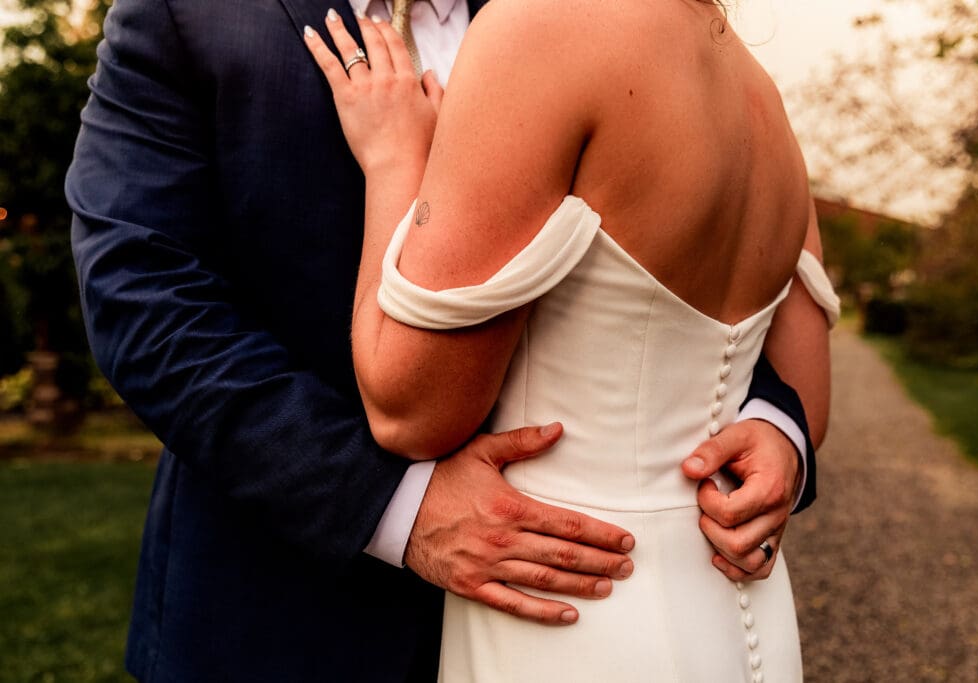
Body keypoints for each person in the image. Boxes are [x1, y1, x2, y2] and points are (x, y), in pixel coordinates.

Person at [65, 0, 830, 680]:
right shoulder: (185, 14)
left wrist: (775, 426)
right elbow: (142, 297)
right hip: (284, 612)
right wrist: (395, 507)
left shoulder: (548, 22)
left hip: (564, 604)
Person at [302, 0, 839, 680]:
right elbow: (805, 406)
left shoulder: (541, 26)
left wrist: (394, 161)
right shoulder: (762, 99)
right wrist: (779, 433)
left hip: (575, 609)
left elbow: (410, 412)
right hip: (746, 613)